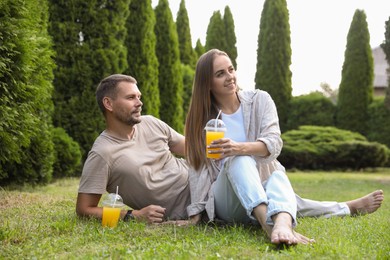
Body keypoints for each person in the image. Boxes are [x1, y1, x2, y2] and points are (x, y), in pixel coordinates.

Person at [76, 73, 383, 233]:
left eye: (139, 96)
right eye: (131, 98)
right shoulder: (103, 153)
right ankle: (344, 208)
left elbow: (193, 149)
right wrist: (133, 216)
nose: (139, 102)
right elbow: (84, 209)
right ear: (109, 104)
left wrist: (230, 142)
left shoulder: (152, 124)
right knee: (270, 189)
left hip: (203, 183)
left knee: (265, 169)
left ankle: (343, 208)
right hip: (192, 208)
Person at [184, 49, 384, 245]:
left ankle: (287, 223)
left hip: (260, 183)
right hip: (228, 201)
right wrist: (195, 214)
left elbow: (274, 142)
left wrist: (240, 147)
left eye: (231, 69)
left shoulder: (259, 100)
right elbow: (197, 168)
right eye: (220, 74)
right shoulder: (202, 121)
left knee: (278, 178)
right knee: (239, 160)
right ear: (207, 84)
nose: (230, 77)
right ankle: (270, 224)